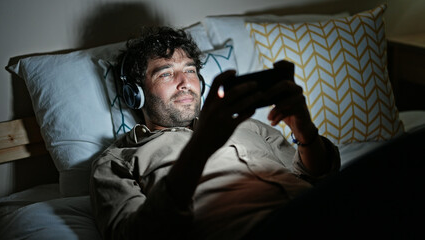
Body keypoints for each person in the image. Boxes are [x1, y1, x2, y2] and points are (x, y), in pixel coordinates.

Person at [89, 26, 342, 240]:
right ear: (136, 94)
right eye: (166, 73)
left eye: (189, 70)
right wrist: (199, 149)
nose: (185, 82)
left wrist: (306, 132)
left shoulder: (247, 124)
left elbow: (316, 176)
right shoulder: (116, 161)